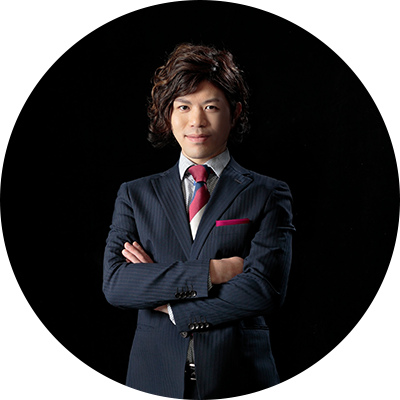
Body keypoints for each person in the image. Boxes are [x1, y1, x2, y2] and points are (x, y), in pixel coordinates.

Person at [103, 43, 295, 400]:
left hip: (240, 382)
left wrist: (170, 305)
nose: (197, 121)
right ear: (167, 114)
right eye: (183, 107)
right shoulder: (135, 195)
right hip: (153, 382)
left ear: (235, 113)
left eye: (211, 107)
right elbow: (117, 284)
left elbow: (263, 289)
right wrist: (214, 272)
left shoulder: (268, 193)